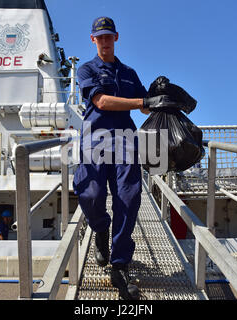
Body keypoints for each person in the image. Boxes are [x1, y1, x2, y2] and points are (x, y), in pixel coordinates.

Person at [73, 16, 177, 300]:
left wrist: (159, 93)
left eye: (109, 36)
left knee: (129, 199)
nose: (105, 41)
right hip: (95, 140)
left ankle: (119, 265)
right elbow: (102, 101)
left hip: (125, 142)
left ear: (116, 38)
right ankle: (100, 230)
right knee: (91, 195)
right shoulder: (86, 70)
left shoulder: (129, 73)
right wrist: (143, 101)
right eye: (100, 37)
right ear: (93, 40)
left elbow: (145, 107)